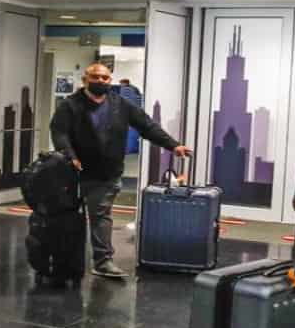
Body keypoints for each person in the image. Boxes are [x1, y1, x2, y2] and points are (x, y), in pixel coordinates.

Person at [50, 62, 191, 278]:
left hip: (107, 171)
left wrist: (173, 145)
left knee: (100, 215)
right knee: (66, 216)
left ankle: (102, 261)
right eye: (95, 77)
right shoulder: (70, 105)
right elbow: (59, 132)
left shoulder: (121, 104)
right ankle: (62, 258)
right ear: (85, 79)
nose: (100, 81)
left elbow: (147, 126)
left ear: (110, 80)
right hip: (73, 171)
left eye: (105, 78)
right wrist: (71, 156)